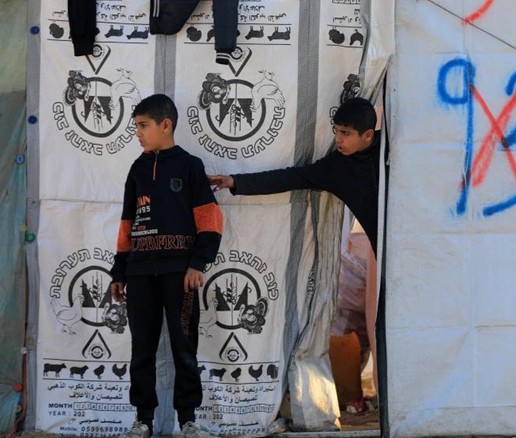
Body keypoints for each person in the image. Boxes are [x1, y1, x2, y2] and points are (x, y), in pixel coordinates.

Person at [110, 94, 223, 438]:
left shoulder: (190, 166)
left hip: (181, 275)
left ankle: (188, 420)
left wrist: (198, 263)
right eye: (136, 127)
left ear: (166, 125)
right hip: (140, 273)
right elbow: (127, 224)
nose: (138, 134)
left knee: (183, 347)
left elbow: (211, 220)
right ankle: (143, 420)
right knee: (141, 349)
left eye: (143, 126)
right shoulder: (137, 168)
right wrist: (119, 270)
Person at [207, 96, 380, 254]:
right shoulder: (338, 167)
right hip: (389, 261)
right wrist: (235, 181)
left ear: (367, 135)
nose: (338, 139)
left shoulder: (395, 150)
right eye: (337, 131)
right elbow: (288, 178)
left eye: (346, 133)